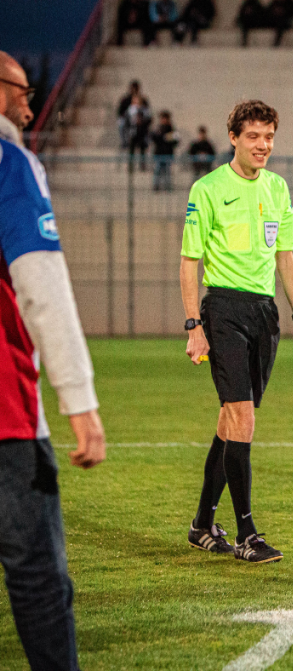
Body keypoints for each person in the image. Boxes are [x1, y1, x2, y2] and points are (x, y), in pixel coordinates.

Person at [0, 50, 106, 671]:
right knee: (40, 582)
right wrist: (80, 399)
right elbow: (41, 284)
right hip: (8, 418)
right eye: (20, 91)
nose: (30, 103)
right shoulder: (10, 161)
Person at [180, 100, 293, 563]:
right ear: (233, 137)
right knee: (244, 417)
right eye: (254, 136)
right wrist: (194, 325)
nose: (263, 145)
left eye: (269, 137)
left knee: (231, 420)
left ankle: (201, 525)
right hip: (223, 309)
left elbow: (285, 257)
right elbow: (189, 261)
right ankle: (247, 534)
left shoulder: (278, 189)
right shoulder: (208, 188)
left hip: (264, 313)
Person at [150, 110, 180, 191]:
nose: (164, 120)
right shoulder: (158, 129)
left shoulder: (172, 129)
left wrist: (167, 138)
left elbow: (176, 141)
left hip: (168, 154)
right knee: (157, 170)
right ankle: (156, 186)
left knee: (167, 171)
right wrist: (162, 137)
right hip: (159, 154)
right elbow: (154, 138)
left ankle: (168, 186)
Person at [117, 80, 148, 149]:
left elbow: (147, 114)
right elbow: (120, 112)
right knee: (121, 123)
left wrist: (141, 119)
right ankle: (124, 142)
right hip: (129, 121)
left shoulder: (143, 100)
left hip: (141, 122)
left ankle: (144, 141)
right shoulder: (125, 100)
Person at [125, 92, 151, 171]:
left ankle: (142, 165)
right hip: (133, 131)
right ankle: (131, 166)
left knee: (142, 150)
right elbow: (127, 121)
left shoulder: (145, 110)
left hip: (142, 132)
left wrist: (143, 121)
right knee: (132, 150)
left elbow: (149, 120)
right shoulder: (130, 110)